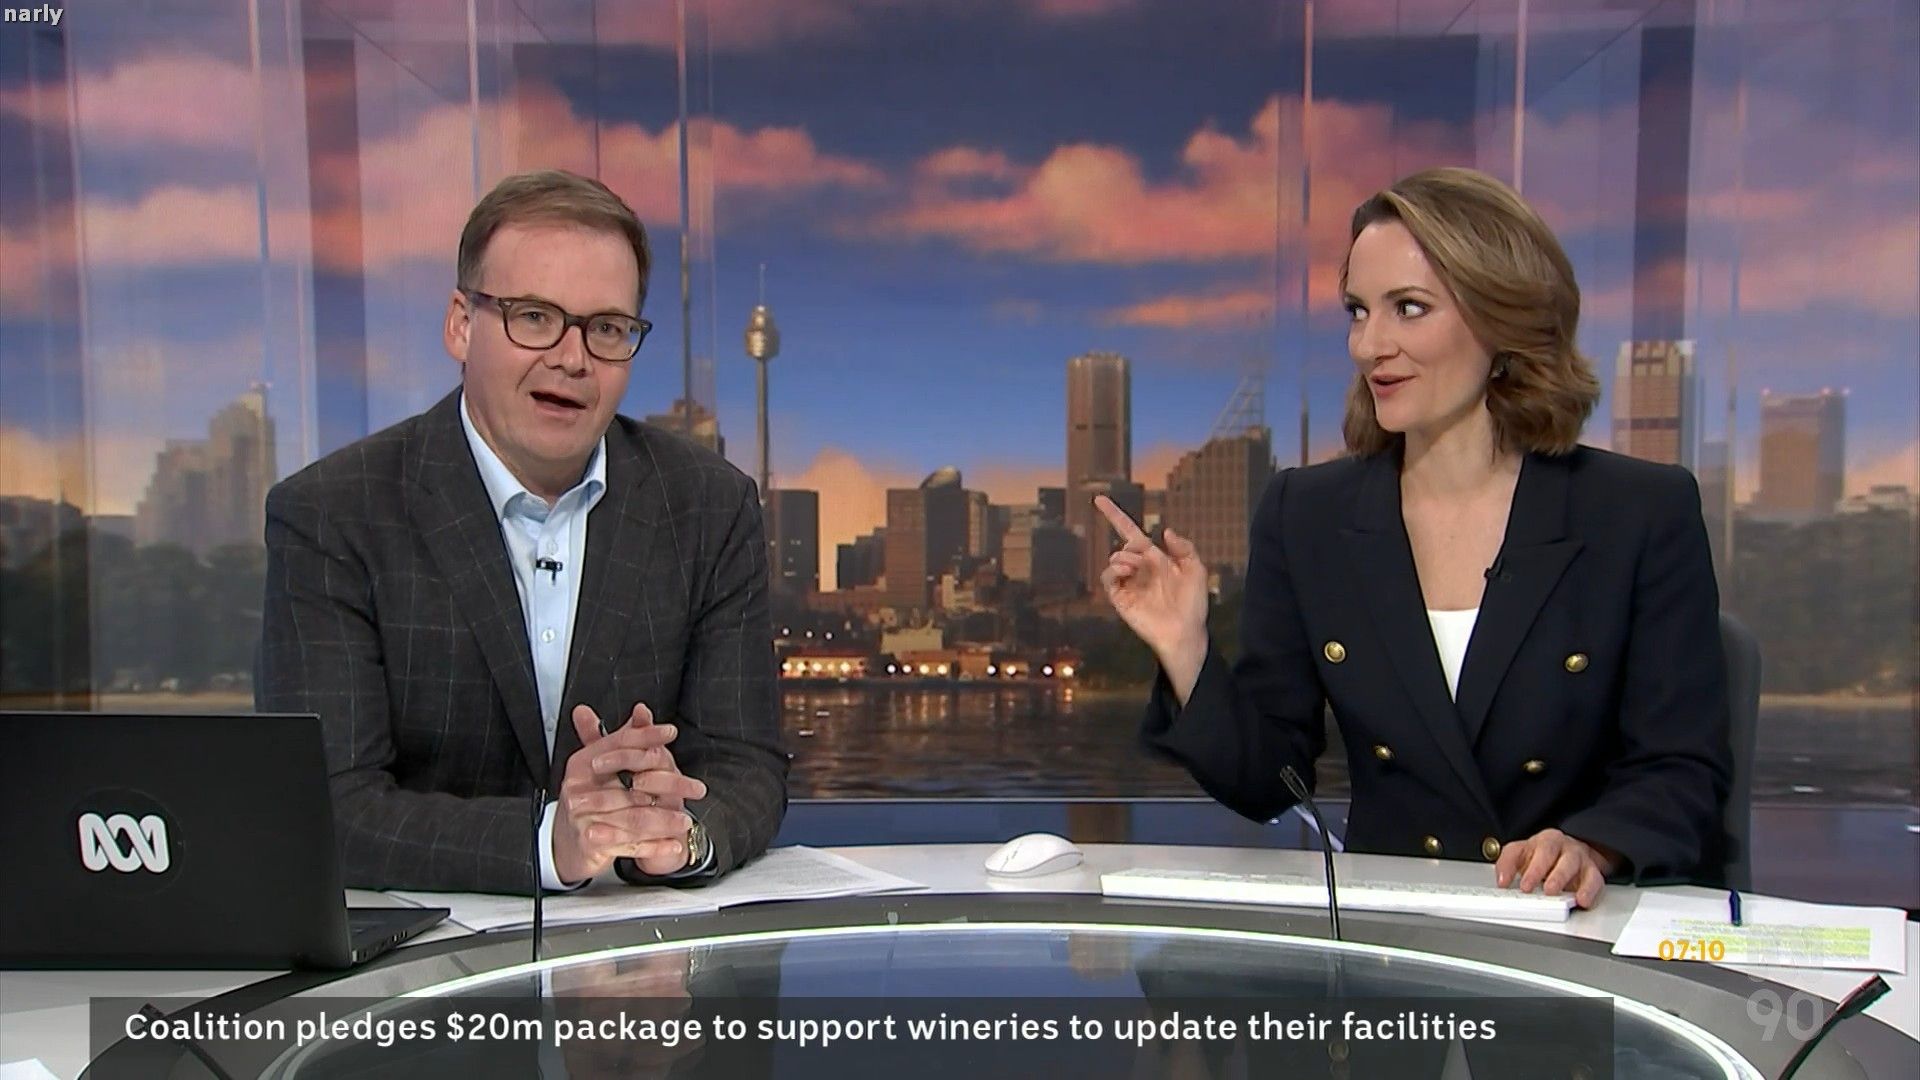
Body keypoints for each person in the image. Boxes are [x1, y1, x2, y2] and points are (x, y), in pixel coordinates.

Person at [1097, 166, 1731, 909]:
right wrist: (1185, 650)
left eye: (1408, 308)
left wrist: (1591, 843)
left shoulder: (1638, 511)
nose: (1370, 345)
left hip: (1570, 930)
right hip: (1397, 933)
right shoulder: (1307, 515)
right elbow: (1268, 783)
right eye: (1358, 311)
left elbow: (1681, 772)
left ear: (1502, 319)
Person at [258, 169, 787, 893]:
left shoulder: (707, 505)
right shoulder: (334, 513)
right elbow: (329, 803)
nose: (572, 358)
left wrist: (680, 834)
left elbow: (746, 765)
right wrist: (550, 843)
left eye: (607, 329)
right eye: (535, 317)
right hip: (425, 953)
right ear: (461, 324)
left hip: (636, 944)